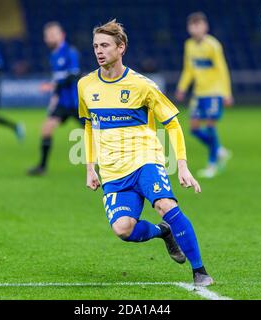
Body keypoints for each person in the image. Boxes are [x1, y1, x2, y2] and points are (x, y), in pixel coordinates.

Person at [78, 20, 214, 287]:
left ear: (121, 48)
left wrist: (183, 165)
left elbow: (172, 123)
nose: (99, 51)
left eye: (105, 45)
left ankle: (200, 271)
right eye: (95, 46)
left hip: (145, 160)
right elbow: (88, 125)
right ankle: (163, 233)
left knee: (166, 205)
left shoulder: (143, 85)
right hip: (113, 170)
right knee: (123, 229)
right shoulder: (85, 85)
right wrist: (89, 167)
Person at [176, 12, 233, 178]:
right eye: (193, 25)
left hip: (214, 92)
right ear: (188, 28)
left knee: (210, 126)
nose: (196, 28)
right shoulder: (189, 45)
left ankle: (212, 164)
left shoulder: (213, 45)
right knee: (193, 128)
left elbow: (222, 69)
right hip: (198, 93)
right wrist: (182, 87)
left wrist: (226, 93)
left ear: (205, 27)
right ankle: (219, 150)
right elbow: (188, 69)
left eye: (199, 25)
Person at [27, 21, 81, 176]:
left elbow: (74, 75)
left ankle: (111, 165)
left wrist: (52, 85)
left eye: (52, 35)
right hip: (63, 103)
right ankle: (42, 167)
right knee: (46, 129)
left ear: (61, 35)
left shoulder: (70, 52)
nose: (49, 38)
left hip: (77, 103)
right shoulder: (54, 55)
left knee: (96, 135)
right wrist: (54, 96)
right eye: (47, 36)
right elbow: (58, 81)